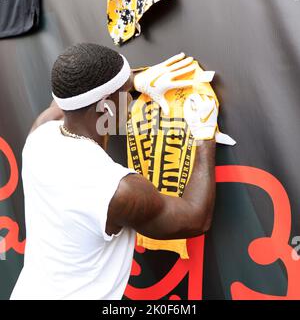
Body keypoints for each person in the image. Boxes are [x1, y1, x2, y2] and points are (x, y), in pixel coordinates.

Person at [10, 43, 216, 300]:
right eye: (128, 94)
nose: (132, 102)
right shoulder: (118, 189)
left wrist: (136, 80)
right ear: (106, 108)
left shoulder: (40, 135)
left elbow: (70, 90)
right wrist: (204, 134)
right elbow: (196, 218)